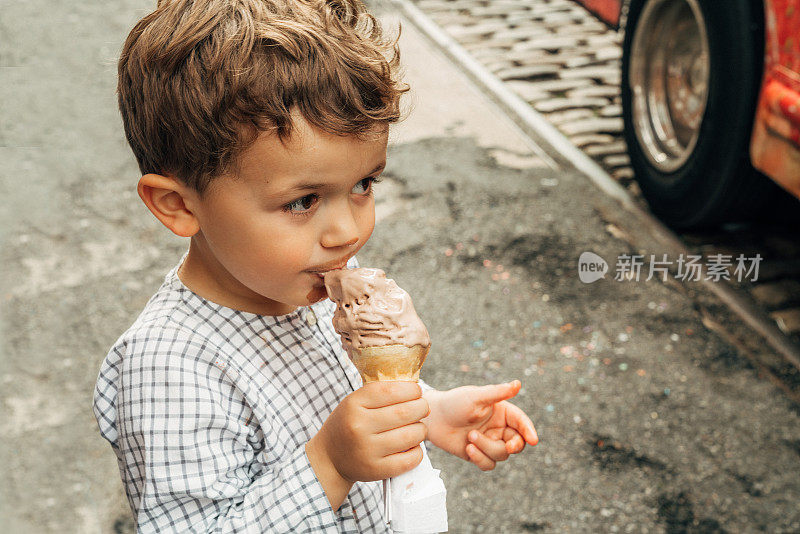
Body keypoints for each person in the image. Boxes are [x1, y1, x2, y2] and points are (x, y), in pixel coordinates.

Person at [92, 0, 539, 531]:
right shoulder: (168, 369)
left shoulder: (296, 284)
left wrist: (427, 411)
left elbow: (339, 397)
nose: (347, 232)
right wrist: (328, 463)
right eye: (303, 201)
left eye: (363, 185)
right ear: (180, 205)